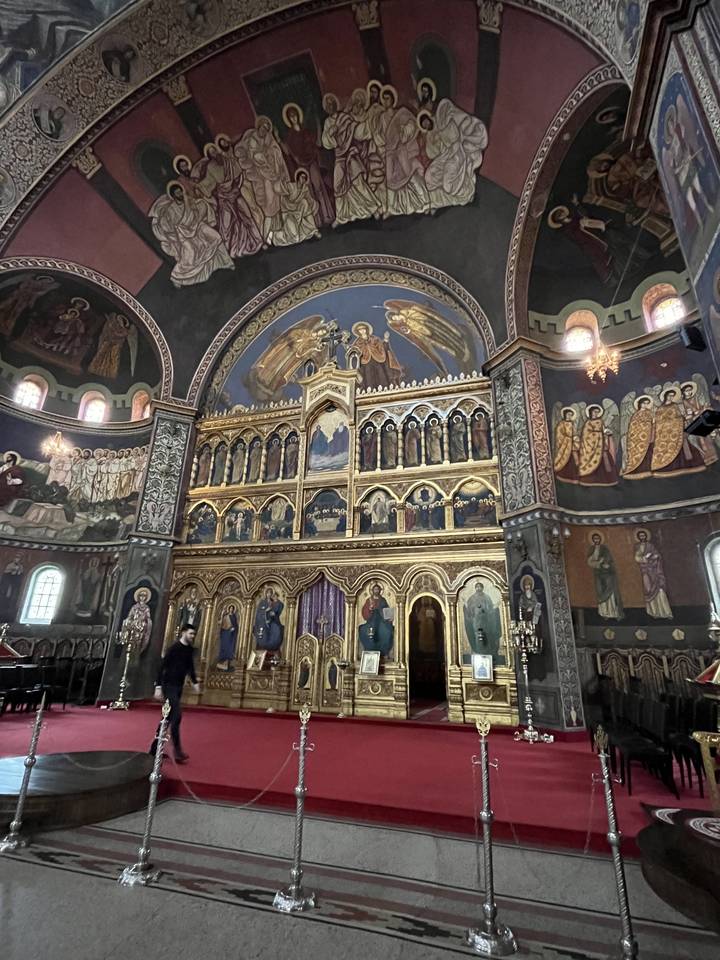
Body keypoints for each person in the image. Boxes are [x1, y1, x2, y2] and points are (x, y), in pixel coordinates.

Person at [151, 624, 200, 763]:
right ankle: (177, 751)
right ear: (183, 632)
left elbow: (190, 667)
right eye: (190, 633)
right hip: (168, 686)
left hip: (178, 686)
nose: (192, 636)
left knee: (167, 718)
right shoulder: (174, 648)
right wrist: (158, 686)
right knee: (176, 715)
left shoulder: (189, 650)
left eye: (194, 634)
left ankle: (154, 749)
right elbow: (162, 667)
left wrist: (195, 683)